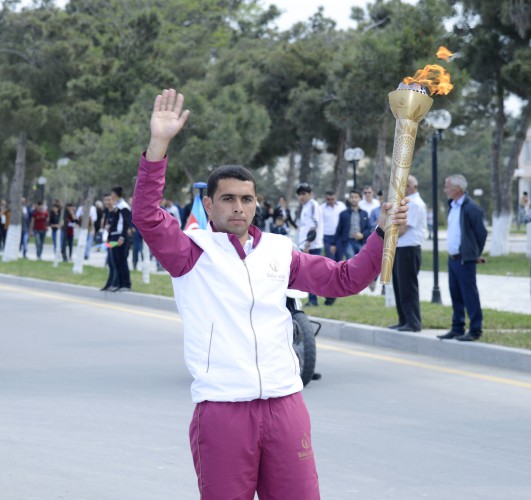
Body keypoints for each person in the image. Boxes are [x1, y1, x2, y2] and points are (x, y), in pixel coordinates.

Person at [132, 88, 408, 499]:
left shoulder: (280, 251)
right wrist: (159, 145)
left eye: (246, 199)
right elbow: (147, 216)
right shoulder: (191, 253)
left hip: (285, 405)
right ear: (209, 205)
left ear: (256, 203)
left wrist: (383, 233)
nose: (238, 208)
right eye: (227, 199)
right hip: (224, 409)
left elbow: (344, 279)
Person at [437, 174, 488, 342]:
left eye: (447, 186)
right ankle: (457, 328)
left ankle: (475, 330)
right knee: (456, 294)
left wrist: (474, 253)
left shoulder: (471, 207)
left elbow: (481, 233)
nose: (445, 190)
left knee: (469, 295)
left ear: (457, 189)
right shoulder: (453, 206)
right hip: (453, 259)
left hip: (465, 259)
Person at [389, 175, 427, 332]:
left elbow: (403, 228)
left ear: (413, 187)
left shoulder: (415, 204)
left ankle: (413, 322)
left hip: (409, 249)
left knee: (408, 287)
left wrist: (387, 239)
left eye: (406, 185)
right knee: (399, 286)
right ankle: (403, 320)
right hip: (400, 249)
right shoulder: (406, 203)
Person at [296, 182, 324, 307]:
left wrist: (307, 244)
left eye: (304, 194)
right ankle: (313, 299)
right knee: (308, 274)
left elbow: (314, 224)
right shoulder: (305, 206)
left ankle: (313, 300)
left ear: (310, 194)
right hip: (306, 245)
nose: (301, 196)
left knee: (311, 274)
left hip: (312, 245)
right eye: (299, 194)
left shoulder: (313, 205)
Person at [332, 190, 371, 261]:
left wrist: (362, 235)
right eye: (352, 197)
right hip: (348, 241)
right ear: (349, 199)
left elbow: (369, 228)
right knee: (351, 259)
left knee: (361, 260)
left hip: (360, 241)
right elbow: (339, 229)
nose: (354, 199)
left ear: (360, 199)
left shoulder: (364, 213)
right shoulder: (343, 214)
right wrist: (333, 244)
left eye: (356, 197)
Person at [106, 187, 132, 291]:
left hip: (120, 237)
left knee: (122, 260)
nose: (111, 196)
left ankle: (126, 284)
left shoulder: (123, 206)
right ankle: (118, 283)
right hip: (114, 236)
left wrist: (122, 237)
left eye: (112, 194)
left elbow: (126, 223)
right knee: (115, 260)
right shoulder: (116, 206)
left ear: (116, 194)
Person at [321, 190, 346, 262]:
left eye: (332, 199)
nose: (331, 201)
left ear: (335, 197)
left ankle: (339, 273)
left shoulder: (342, 206)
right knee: (330, 259)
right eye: (328, 199)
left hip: (339, 236)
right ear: (325, 198)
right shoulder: (321, 208)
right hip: (327, 236)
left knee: (340, 258)